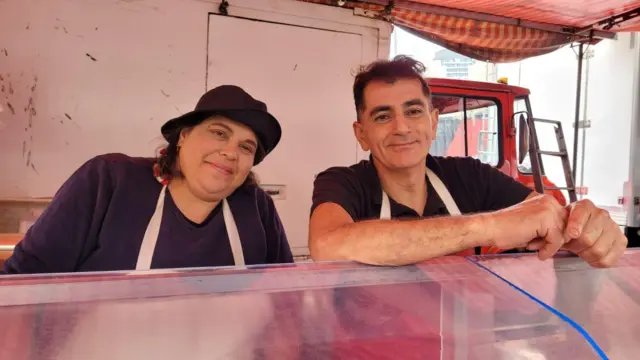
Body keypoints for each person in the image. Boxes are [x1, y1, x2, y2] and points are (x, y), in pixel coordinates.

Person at [309, 55, 627, 268]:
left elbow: (545, 216)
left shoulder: (469, 175)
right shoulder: (342, 183)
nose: (401, 127)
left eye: (414, 111)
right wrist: (489, 226)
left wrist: (583, 228)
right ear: (361, 134)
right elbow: (327, 247)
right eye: (382, 116)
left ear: (433, 123)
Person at [3, 85, 293, 274]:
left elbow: (285, 300)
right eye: (219, 133)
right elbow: (23, 281)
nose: (231, 152)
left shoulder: (257, 207)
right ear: (183, 136)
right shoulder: (109, 180)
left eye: (246, 147)